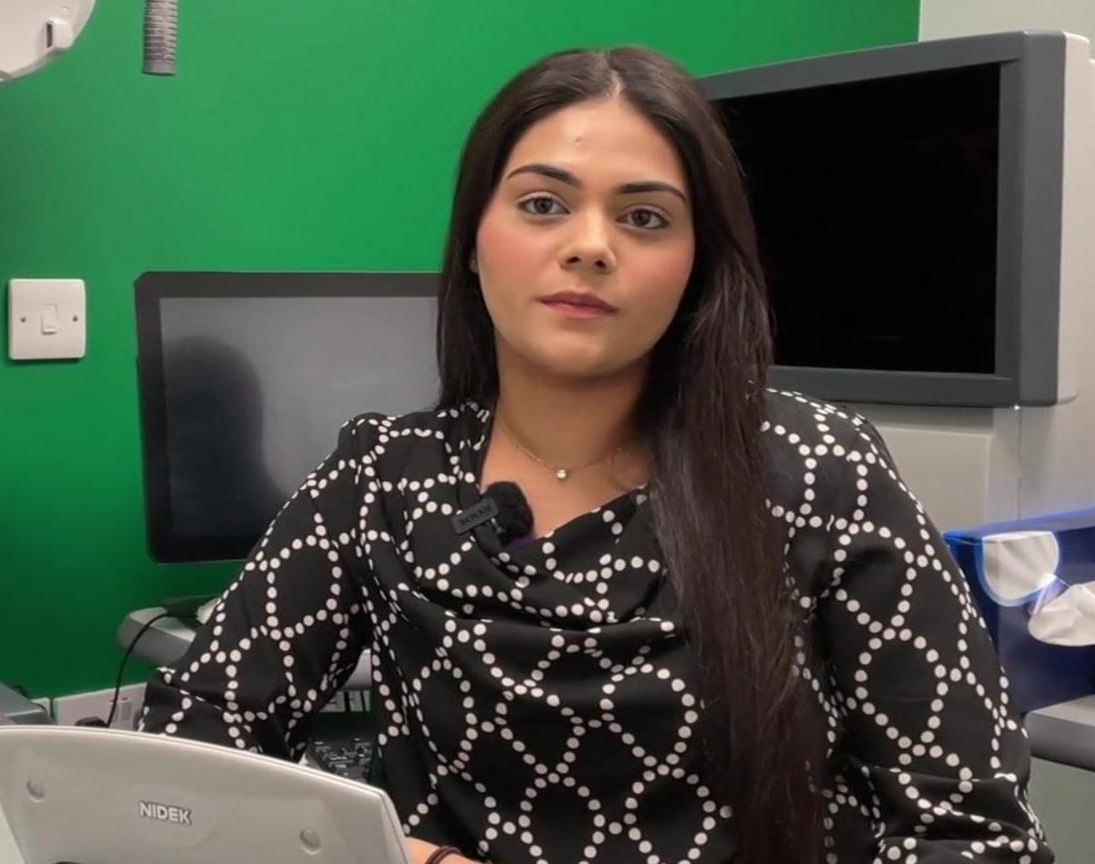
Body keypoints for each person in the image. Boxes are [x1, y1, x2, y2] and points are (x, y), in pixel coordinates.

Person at [138, 46, 1051, 864]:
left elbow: (976, 834)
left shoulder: (818, 471)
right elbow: (193, 738)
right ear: (473, 244)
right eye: (543, 204)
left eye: (646, 218)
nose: (589, 247)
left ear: (698, 264)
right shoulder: (384, 473)